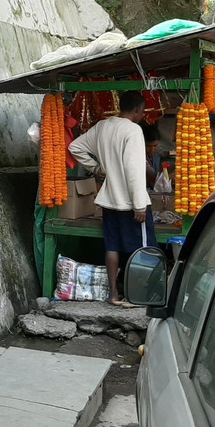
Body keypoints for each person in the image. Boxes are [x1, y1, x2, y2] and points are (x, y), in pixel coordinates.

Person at [67, 90, 153, 306]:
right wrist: (139, 205)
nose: (142, 115)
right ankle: (135, 297)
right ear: (137, 110)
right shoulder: (133, 131)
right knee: (141, 250)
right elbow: (134, 170)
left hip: (108, 201)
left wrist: (97, 168)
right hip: (130, 202)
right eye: (142, 111)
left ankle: (114, 295)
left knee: (112, 247)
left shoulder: (102, 126)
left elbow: (74, 147)